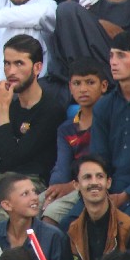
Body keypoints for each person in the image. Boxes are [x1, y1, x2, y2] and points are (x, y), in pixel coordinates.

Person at [0, 35, 67, 212]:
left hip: (30, 184)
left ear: (37, 67)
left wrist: (2, 110)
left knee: (2, 217)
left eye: (19, 64)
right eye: (7, 64)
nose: (11, 71)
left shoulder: (51, 110)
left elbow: (13, 157)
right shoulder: (9, 105)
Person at [41, 58, 107, 226]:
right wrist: (55, 189)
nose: (83, 89)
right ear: (70, 87)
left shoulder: (109, 120)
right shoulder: (67, 128)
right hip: (72, 184)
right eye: (77, 83)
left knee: (51, 214)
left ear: (104, 86)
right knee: (29, 205)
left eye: (90, 82)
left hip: (95, 184)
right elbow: (61, 166)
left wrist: (72, 186)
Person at [0, 173, 72, 260]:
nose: (35, 197)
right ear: (7, 205)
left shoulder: (54, 237)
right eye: (25, 194)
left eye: (34, 192)